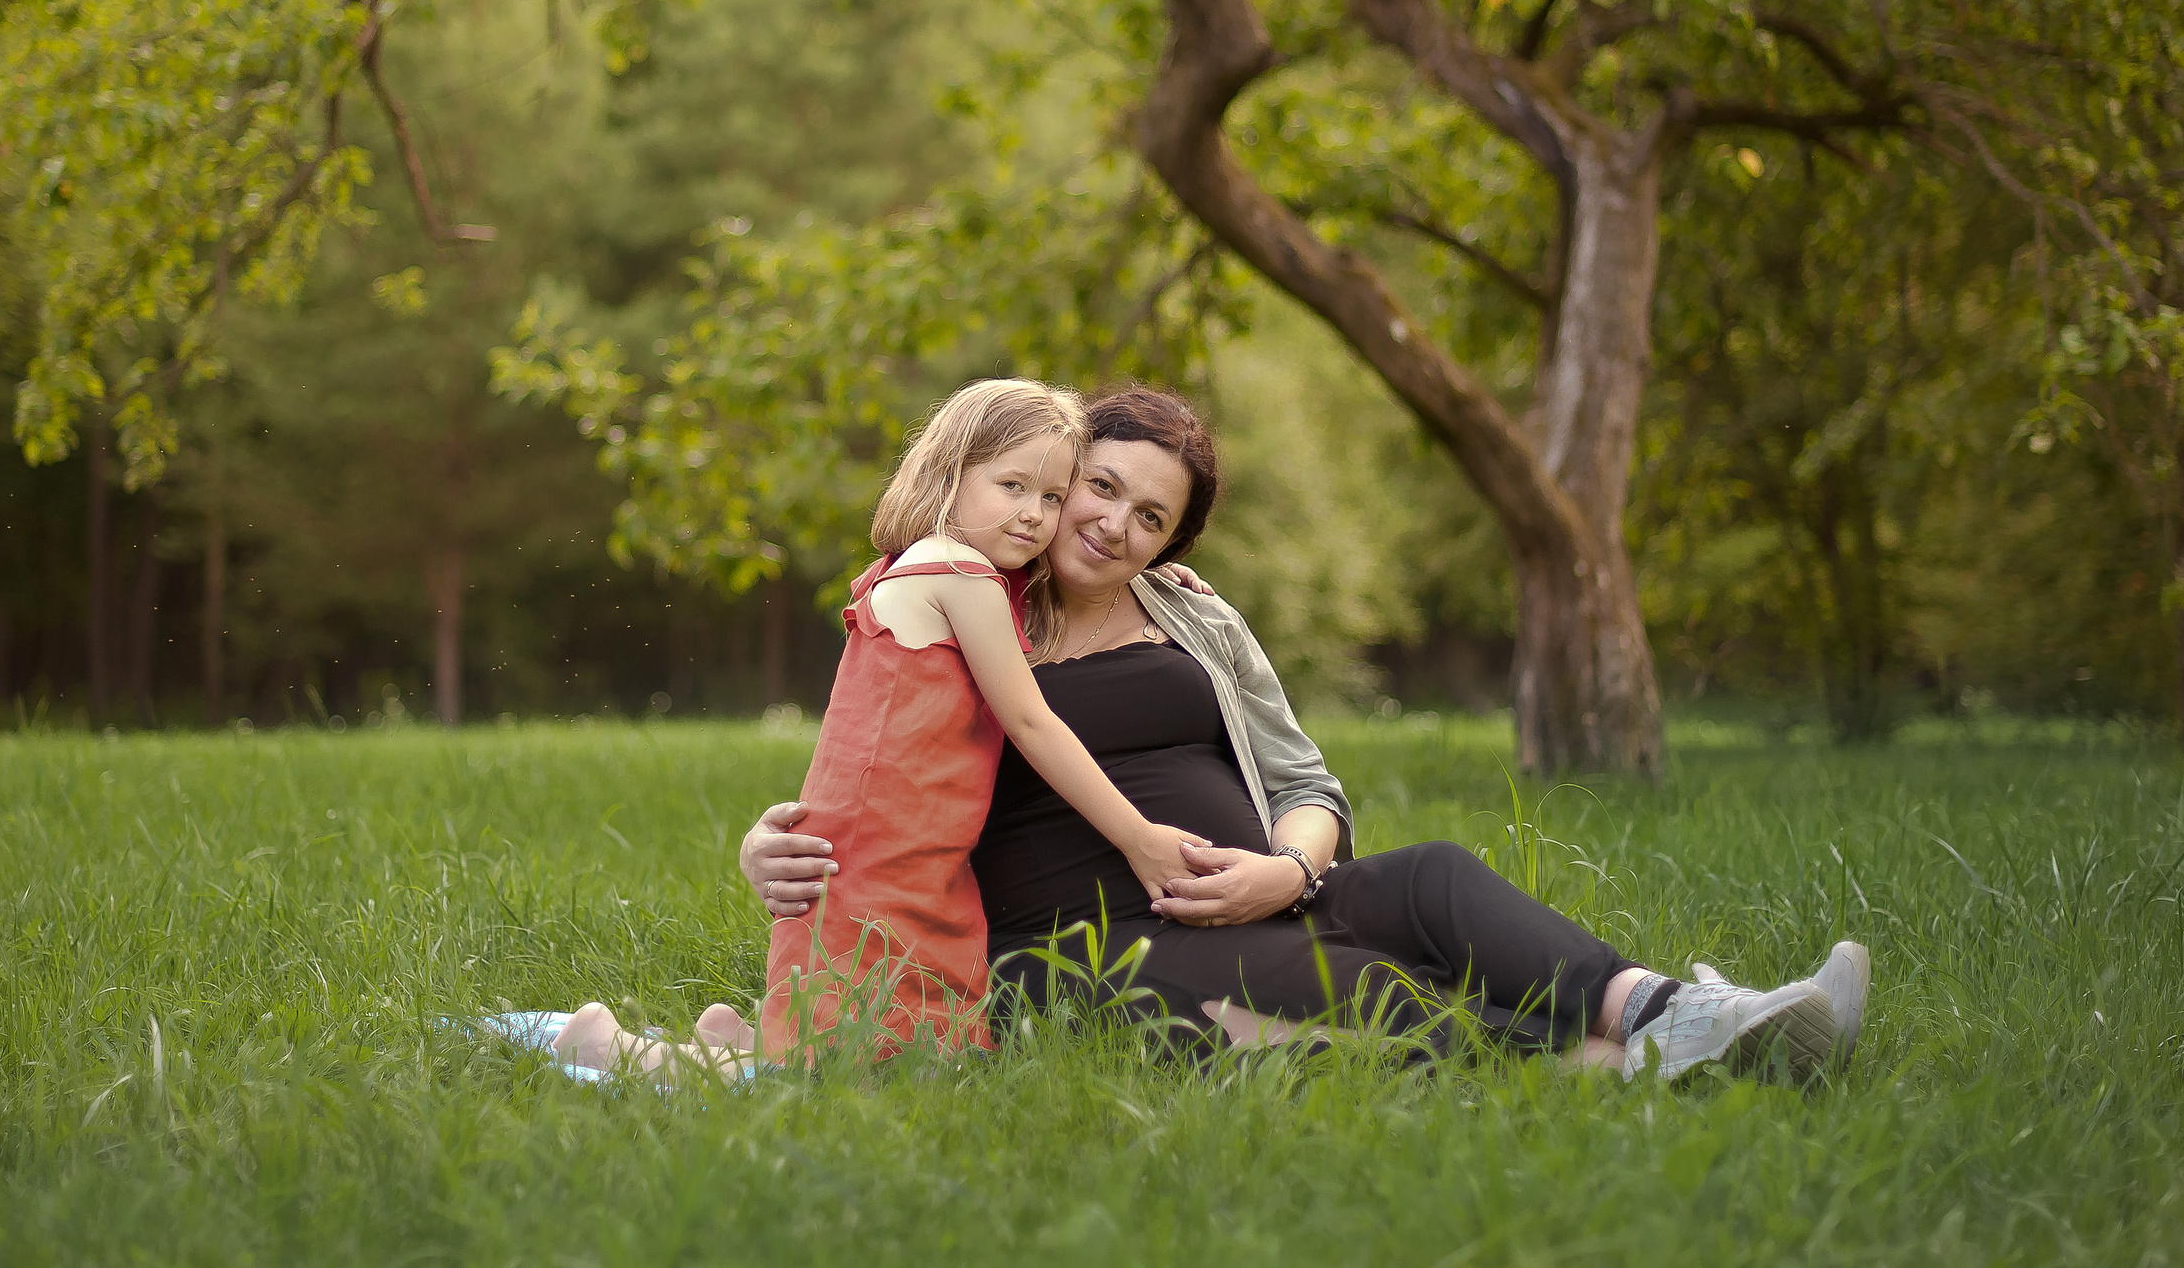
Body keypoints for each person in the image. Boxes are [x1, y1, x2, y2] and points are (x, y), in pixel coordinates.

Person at [739, 387, 1869, 1080]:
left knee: (1429, 879)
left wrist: (1285, 864)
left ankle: (1678, 1015)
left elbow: (1303, 776)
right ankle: (1625, 1066)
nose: (1107, 523)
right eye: (1097, 486)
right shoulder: (967, 604)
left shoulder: (1195, 610)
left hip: (1259, 887)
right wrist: (765, 844)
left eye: (1150, 515)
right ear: (1045, 472)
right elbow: (872, 754)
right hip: (1086, 932)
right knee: (1343, 978)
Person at [553, 379, 1209, 1076]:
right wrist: (1140, 838)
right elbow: (1029, 719)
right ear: (950, 473)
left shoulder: (932, 566)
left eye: (1050, 497)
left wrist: (1157, 581)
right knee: (845, 1066)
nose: (1033, 515)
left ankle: (735, 1041)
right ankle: (609, 1046)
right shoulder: (962, 576)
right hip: (883, 861)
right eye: (1012, 485)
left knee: (903, 1049)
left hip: (904, 849)